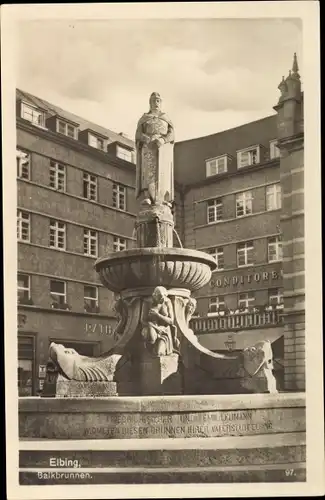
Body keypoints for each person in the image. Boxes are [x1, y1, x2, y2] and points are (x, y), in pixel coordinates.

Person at [135, 92, 174, 206]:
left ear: (161, 103)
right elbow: (138, 134)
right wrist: (146, 138)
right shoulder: (144, 118)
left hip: (162, 148)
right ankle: (148, 196)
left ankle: (164, 199)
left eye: (158, 101)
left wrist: (163, 140)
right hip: (148, 147)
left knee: (163, 173)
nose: (156, 103)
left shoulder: (165, 118)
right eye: (153, 101)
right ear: (150, 103)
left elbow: (172, 134)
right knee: (148, 172)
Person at [141, 286, 179, 356]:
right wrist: (155, 327)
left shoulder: (167, 302)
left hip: (164, 331)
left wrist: (158, 315)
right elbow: (143, 320)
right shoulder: (147, 302)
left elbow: (171, 321)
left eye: (164, 297)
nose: (162, 299)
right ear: (154, 295)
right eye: (160, 297)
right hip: (151, 328)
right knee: (151, 339)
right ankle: (149, 348)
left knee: (159, 353)